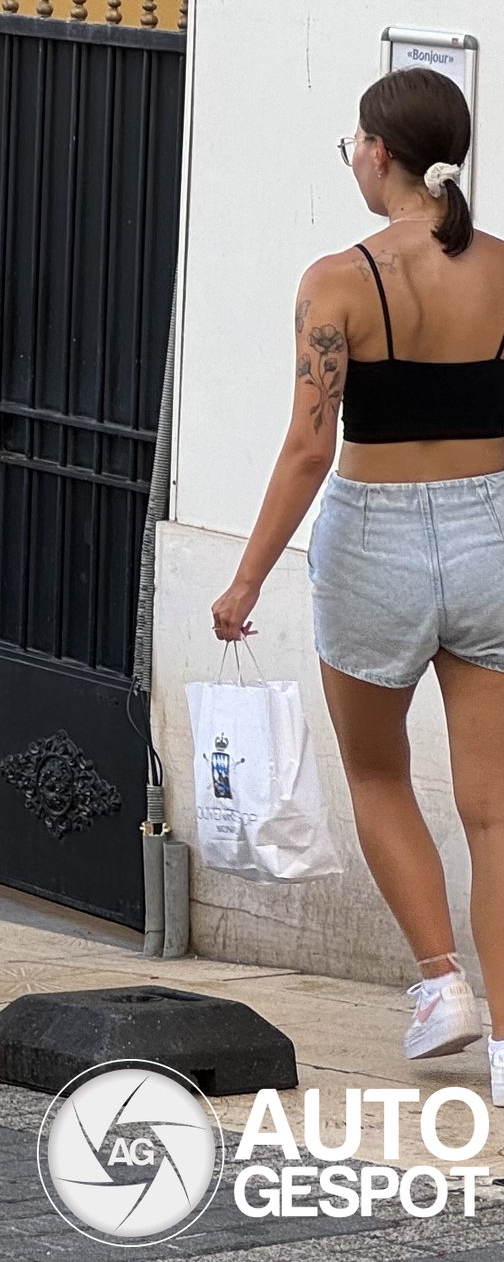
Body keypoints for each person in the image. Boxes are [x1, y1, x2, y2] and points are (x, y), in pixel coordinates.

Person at [211, 67, 504, 1097]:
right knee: (493, 808)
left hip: (371, 542)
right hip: (489, 537)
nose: (351, 156)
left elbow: (306, 446)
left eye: (352, 143)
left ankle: (441, 988)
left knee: (377, 776)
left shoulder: (337, 281)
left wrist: (244, 580)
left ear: (379, 154)